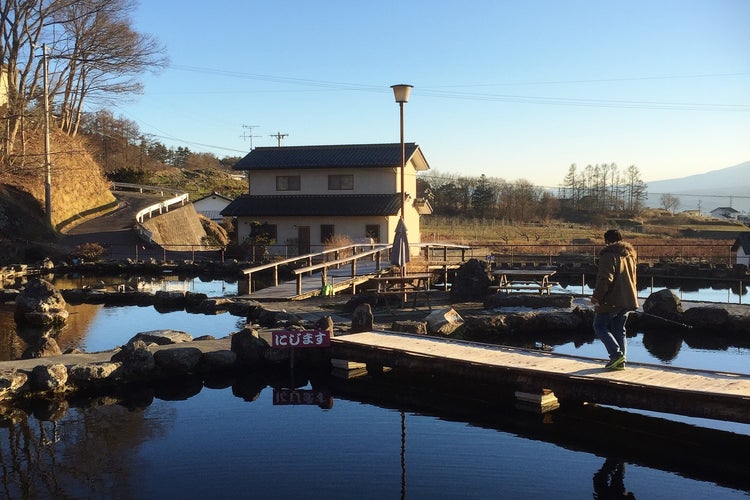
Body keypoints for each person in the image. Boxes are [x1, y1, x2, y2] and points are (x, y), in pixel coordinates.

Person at [590, 229, 639, 370]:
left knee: (599, 326)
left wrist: (596, 297)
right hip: (628, 299)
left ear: (607, 241)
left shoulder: (608, 255)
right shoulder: (630, 255)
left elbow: (605, 279)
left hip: (612, 299)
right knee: (619, 329)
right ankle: (620, 362)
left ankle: (616, 356)